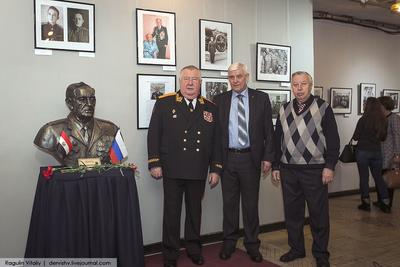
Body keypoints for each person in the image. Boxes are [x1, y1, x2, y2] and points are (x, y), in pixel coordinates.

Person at [147, 65, 222, 267]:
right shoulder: (165, 103)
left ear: (200, 82)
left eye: (195, 79)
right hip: (172, 169)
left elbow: (217, 141)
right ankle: (170, 254)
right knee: (171, 214)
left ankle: (194, 249)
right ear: (180, 82)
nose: (190, 83)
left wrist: (215, 168)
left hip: (198, 169)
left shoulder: (210, 108)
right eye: (187, 79)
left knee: (194, 213)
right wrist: (154, 163)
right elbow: (154, 134)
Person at [272, 71, 340, 267]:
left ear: (310, 86)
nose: (299, 88)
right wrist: (276, 165)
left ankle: (320, 253)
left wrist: (330, 166)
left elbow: (333, 140)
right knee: (292, 213)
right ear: (291, 87)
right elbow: (278, 140)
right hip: (288, 169)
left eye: (303, 84)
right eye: (295, 84)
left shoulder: (323, 108)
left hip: (315, 170)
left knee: (318, 214)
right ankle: (296, 249)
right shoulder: (284, 109)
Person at [213, 62, 275, 263]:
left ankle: (252, 245)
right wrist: (216, 163)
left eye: (239, 76)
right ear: (228, 79)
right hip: (228, 159)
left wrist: (268, 157)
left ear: (246, 76)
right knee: (229, 205)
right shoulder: (220, 100)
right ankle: (229, 243)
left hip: (251, 159)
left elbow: (269, 131)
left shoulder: (261, 98)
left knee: (250, 205)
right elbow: (215, 135)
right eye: (231, 77)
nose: (235, 80)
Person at [34, 82, 119, 167]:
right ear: (69, 103)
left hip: (101, 179)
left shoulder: (111, 129)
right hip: (69, 179)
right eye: (82, 100)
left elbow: (116, 158)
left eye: (92, 99)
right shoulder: (51, 131)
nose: (89, 104)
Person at [352, 97, 391, 213]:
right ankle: (385, 203)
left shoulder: (363, 119)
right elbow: (383, 138)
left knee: (364, 178)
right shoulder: (383, 120)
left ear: (368, 106)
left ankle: (366, 203)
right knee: (379, 177)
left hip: (363, 151)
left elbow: (356, 137)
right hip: (377, 152)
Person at [377, 96, 400, 208]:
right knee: (380, 176)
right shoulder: (381, 117)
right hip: (380, 151)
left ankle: (387, 203)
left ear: (384, 105)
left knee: (388, 177)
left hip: (390, 152)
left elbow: (397, 135)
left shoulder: (394, 118)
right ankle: (381, 200)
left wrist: (397, 153)